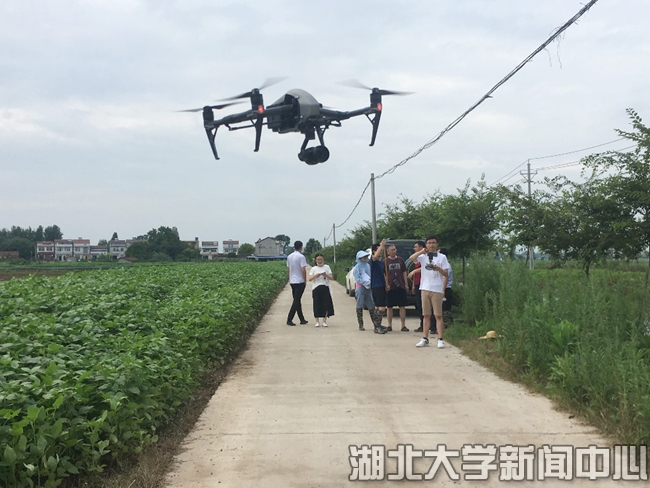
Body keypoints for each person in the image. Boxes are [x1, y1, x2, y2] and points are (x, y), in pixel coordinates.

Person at [409, 236, 450, 349]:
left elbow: (446, 274)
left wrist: (438, 269)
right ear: (426, 244)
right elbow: (412, 258)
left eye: (433, 243)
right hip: (425, 288)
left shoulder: (442, 257)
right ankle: (425, 338)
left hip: (436, 288)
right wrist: (422, 251)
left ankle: (440, 339)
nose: (431, 245)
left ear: (437, 244)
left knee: (438, 315)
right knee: (426, 315)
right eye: (429, 243)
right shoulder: (423, 257)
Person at [352, 249, 386, 334]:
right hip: (360, 287)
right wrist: (365, 282)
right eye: (363, 257)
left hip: (368, 288)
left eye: (366, 256)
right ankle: (361, 324)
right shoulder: (356, 268)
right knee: (360, 305)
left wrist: (370, 282)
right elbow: (357, 279)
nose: (365, 258)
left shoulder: (368, 266)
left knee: (371, 306)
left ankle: (376, 324)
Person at [385, 244, 409, 332]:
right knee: (389, 307)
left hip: (400, 286)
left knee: (402, 306)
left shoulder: (400, 260)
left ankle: (403, 325)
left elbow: (404, 272)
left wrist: (406, 284)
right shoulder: (386, 261)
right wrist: (386, 284)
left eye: (394, 249)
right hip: (391, 287)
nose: (393, 251)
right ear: (388, 252)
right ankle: (389, 325)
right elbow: (384, 274)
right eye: (391, 250)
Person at [308, 253, 335, 327]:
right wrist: (316, 275)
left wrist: (325, 275)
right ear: (315, 260)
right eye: (318, 259)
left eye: (321, 259)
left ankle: (324, 320)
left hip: (325, 287)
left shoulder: (327, 267)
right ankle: (317, 321)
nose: (319, 261)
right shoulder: (313, 268)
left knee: (326, 304)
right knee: (316, 304)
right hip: (316, 288)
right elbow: (310, 279)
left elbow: (331, 277)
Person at [286, 240, 309, 326]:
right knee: (296, 301)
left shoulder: (289, 256)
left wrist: (289, 279)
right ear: (301, 247)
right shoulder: (301, 257)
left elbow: (288, 269)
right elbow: (303, 270)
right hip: (299, 281)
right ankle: (289, 319)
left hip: (292, 281)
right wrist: (305, 280)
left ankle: (302, 319)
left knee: (297, 300)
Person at [408, 240, 425, 332]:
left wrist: (422, 251)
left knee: (423, 305)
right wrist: (414, 285)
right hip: (418, 283)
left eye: (416, 247)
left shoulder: (426, 257)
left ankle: (427, 325)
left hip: (424, 283)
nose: (414, 249)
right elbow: (411, 258)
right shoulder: (418, 258)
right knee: (418, 305)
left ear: (421, 247)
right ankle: (422, 324)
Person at [370, 239, 388, 320]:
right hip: (376, 285)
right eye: (379, 250)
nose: (381, 251)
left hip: (382, 285)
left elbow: (384, 274)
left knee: (378, 306)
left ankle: (377, 323)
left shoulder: (380, 263)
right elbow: (375, 256)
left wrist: (386, 284)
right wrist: (381, 245)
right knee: (381, 307)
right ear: (374, 251)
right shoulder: (372, 261)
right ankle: (377, 323)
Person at [439, 247, 453, 328]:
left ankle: (447, 325)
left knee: (445, 309)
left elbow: (445, 278)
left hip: (446, 289)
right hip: (442, 289)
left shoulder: (447, 266)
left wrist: (442, 290)